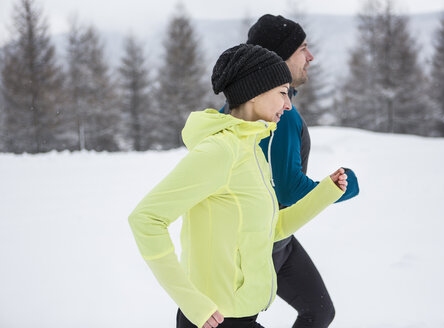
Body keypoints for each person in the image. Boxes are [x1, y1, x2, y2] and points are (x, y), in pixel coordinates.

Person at [128, 43, 348, 328]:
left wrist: (325, 193)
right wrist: (192, 302)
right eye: (282, 92)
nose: (288, 104)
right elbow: (146, 219)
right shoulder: (220, 151)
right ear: (255, 93)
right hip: (215, 320)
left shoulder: (251, 150)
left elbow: (271, 229)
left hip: (241, 315)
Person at [222, 15, 360, 328]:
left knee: (319, 311)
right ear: (279, 59)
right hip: (256, 244)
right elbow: (288, 189)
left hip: (277, 239)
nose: (310, 56)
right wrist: (344, 185)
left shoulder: (242, 105)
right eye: (302, 49)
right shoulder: (277, 115)